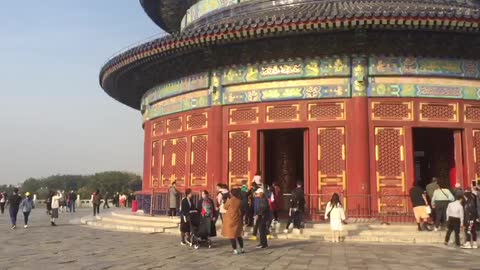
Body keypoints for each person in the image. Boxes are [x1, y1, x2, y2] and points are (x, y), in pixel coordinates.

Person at [222, 188, 245, 255]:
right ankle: (242, 248)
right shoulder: (239, 200)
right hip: (237, 218)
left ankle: (235, 250)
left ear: (231, 193)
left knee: (231, 235)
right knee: (238, 234)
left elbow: (225, 207)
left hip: (230, 218)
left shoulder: (230, 200)